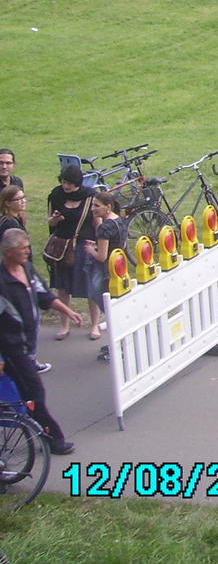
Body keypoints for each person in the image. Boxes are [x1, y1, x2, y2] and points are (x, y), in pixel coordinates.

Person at [0, 228, 83, 454]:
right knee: (34, 392)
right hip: (12, 348)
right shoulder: (2, 282)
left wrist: (68, 311)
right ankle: (53, 438)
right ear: (8, 252)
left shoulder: (26, 269)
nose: (28, 251)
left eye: (28, 247)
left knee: (28, 393)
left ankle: (26, 422)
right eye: (22, 249)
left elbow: (43, 295)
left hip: (27, 345)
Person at [45, 163, 95, 339]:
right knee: (62, 287)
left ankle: (94, 326)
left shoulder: (90, 196)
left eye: (70, 183)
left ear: (78, 183)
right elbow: (50, 223)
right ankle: (64, 326)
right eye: (64, 182)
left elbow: (96, 220)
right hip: (62, 247)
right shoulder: (56, 194)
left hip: (83, 245)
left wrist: (97, 243)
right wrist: (54, 220)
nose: (66, 186)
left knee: (90, 286)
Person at [80, 191, 125, 342]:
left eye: (97, 206)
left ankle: (113, 343)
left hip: (105, 270)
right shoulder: (118, 220)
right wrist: (98, 245)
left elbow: (101, 257)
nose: (93, 208)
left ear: (108, 207)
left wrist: (90, 250)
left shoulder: (104, 228)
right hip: (119, 266)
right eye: (92, 205)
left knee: (105, 305)